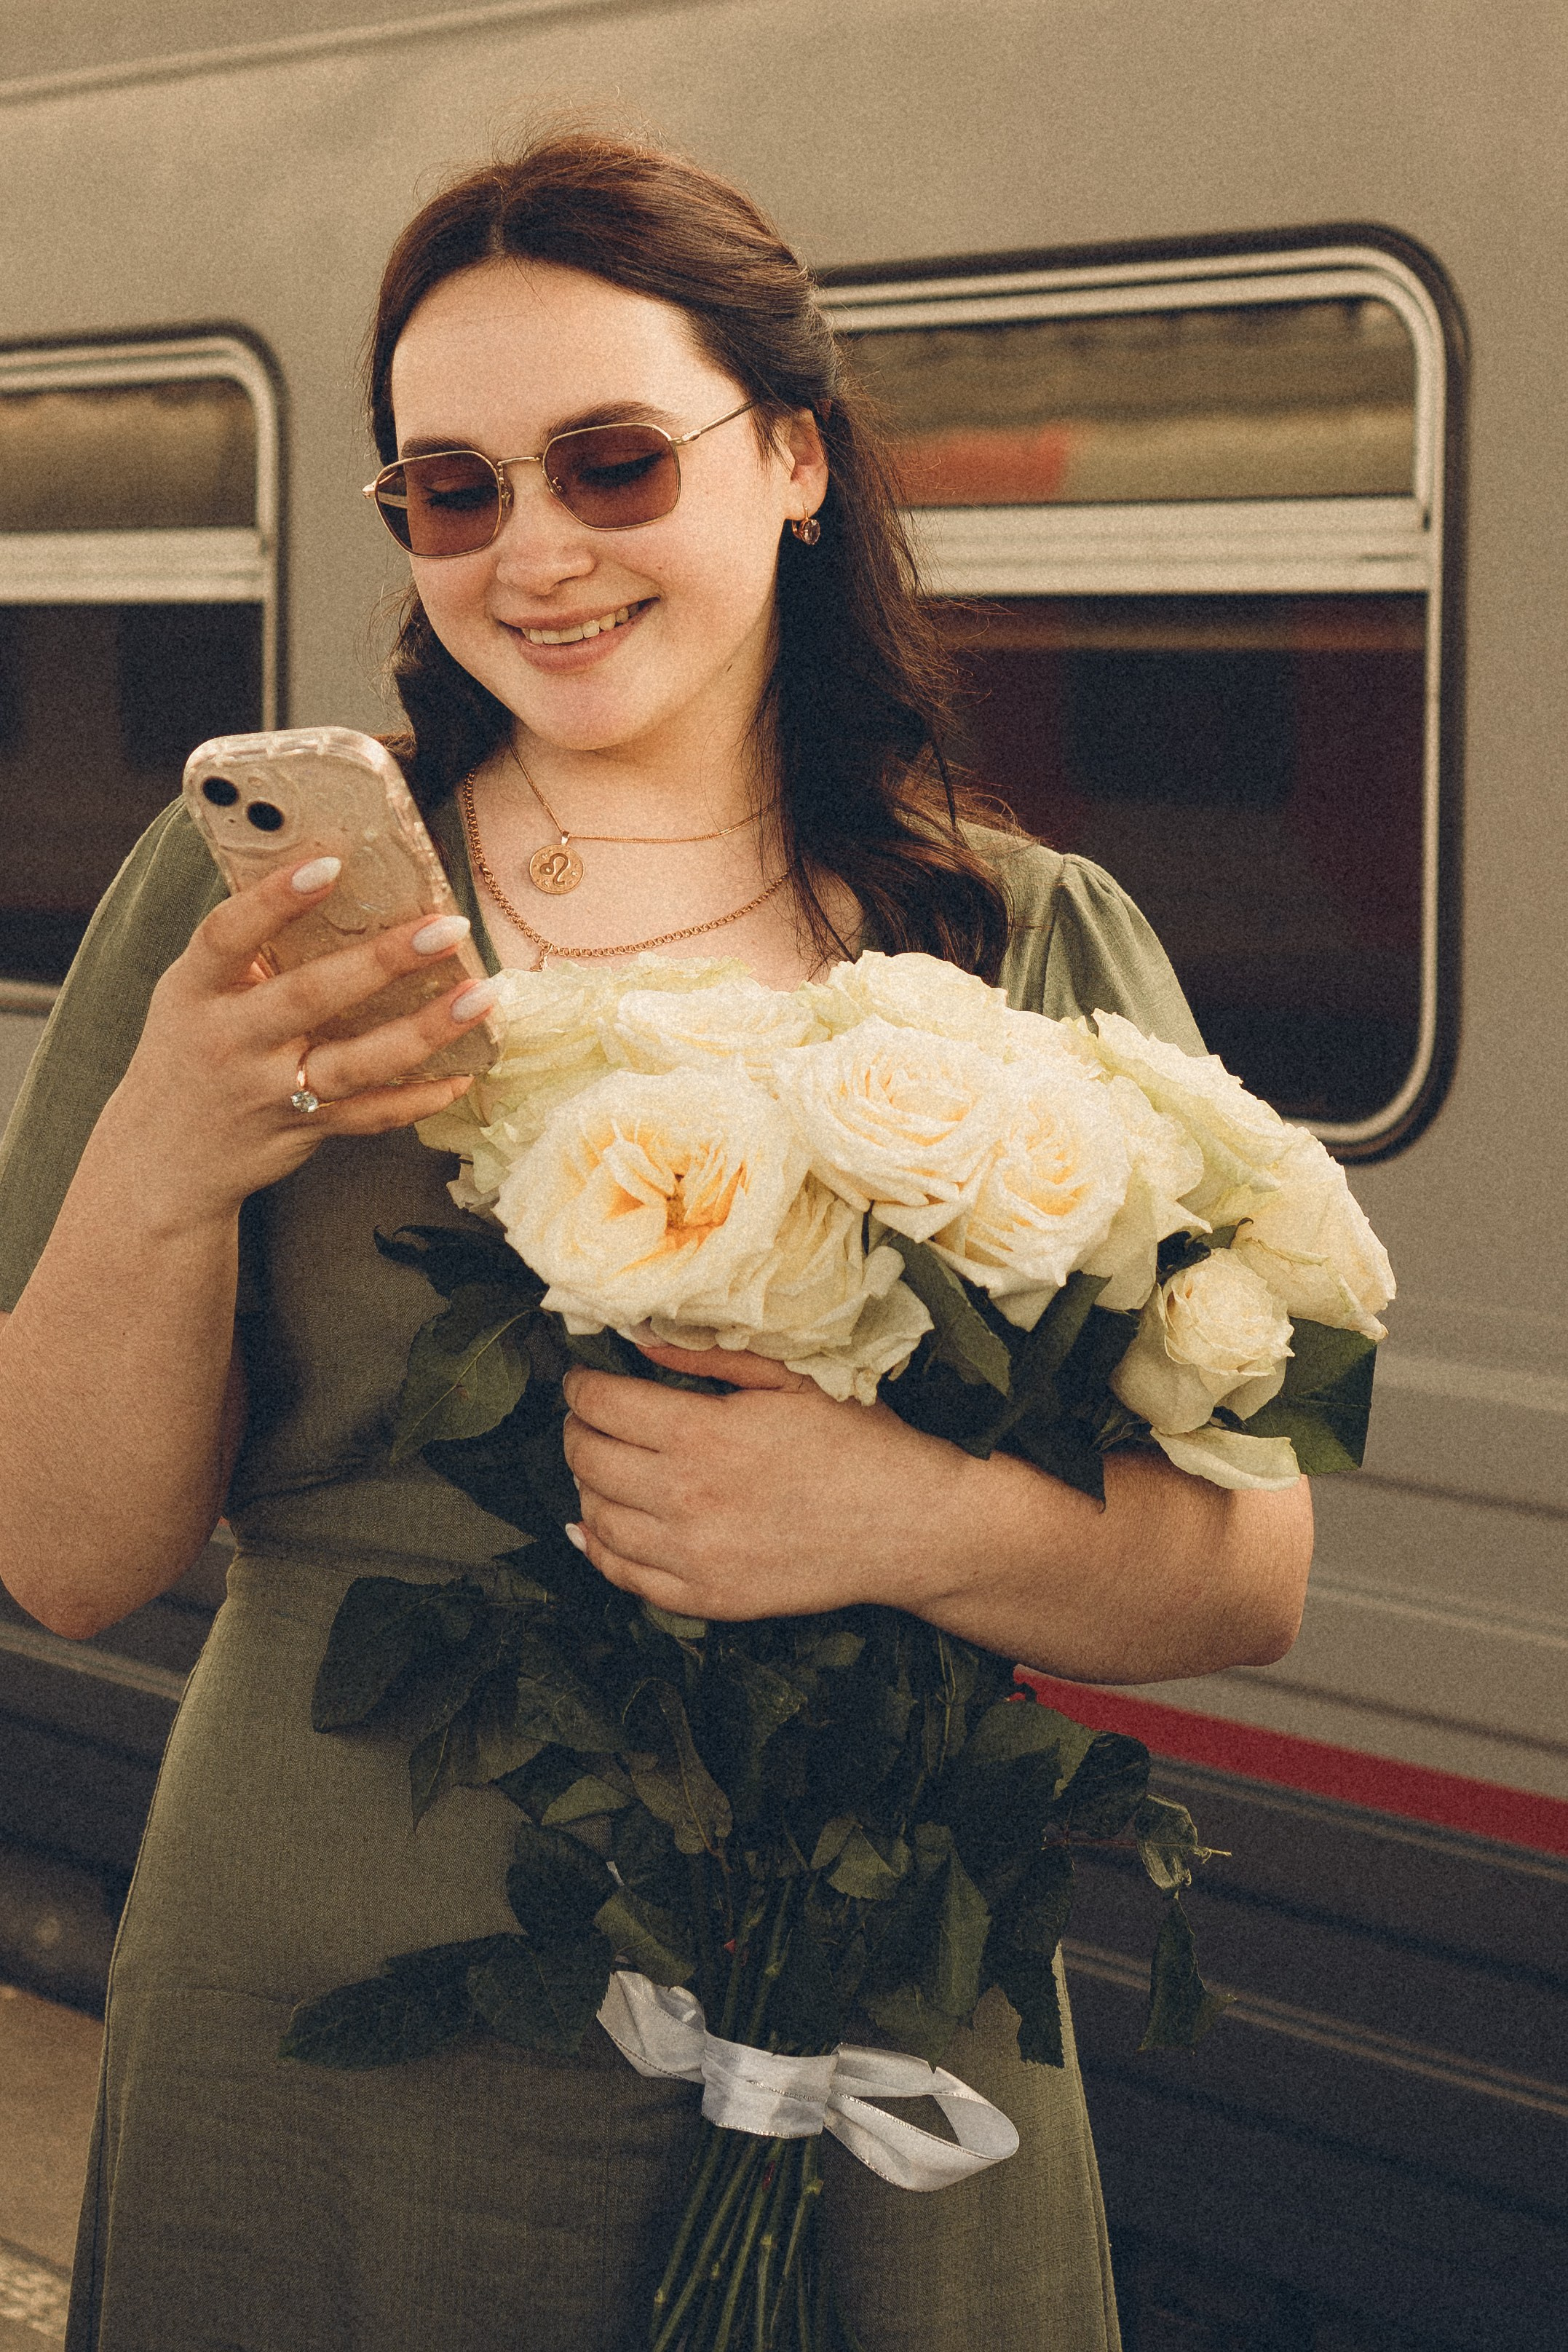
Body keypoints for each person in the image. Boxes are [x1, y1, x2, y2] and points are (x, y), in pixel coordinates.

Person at [0, 131, 1312, 2352]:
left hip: (878, 1953)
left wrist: (893, 1513)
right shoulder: (260, 913)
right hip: (337, 1976)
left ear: (791, 459)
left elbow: (1245, 1574)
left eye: (611, 463)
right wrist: (169, 1142)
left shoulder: (1022, 936)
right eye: (452, 489)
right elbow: (64, 1555)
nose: (535, 552)